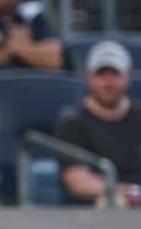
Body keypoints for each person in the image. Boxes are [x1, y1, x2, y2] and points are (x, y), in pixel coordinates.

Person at [55, 40, 141, 206]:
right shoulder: (72, 122)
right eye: (101, 74)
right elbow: (79, 182)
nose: (108, 82)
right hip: (91, 213)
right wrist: (129, 193)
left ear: (128, 77)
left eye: (115, 74)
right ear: (88, 77)